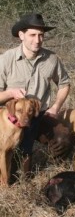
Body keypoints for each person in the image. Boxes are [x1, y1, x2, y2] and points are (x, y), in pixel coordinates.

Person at [0, 13, 70, 177]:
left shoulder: (51, 59)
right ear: (21, 35)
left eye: (41, 35)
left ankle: (49, 167)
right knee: (18, 173)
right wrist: (10, 93)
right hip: (11, 118)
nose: (37, 40)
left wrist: (56, 107)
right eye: (32, 35)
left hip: (39, 114)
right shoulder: (6, 59)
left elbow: (64, 84)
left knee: (64, 138)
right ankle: (21, 163)